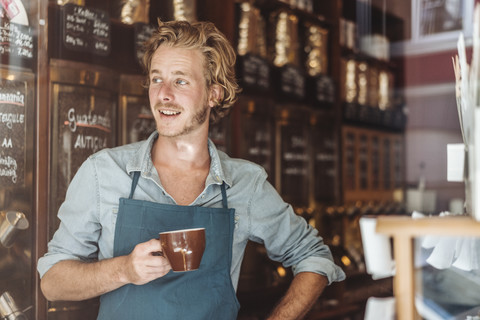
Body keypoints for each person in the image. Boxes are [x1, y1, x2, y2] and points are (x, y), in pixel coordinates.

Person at [37, 19, 345, 319]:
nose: (164, 94)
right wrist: (124, 270)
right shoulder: (104, 172)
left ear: (214, 94)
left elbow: (313, 256)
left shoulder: (245, 184)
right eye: (157, 79)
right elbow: (52, 281)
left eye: (180, 80)